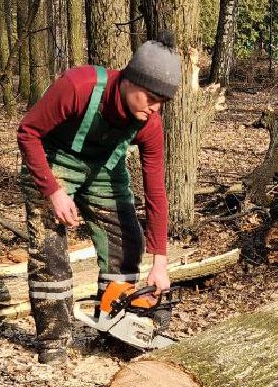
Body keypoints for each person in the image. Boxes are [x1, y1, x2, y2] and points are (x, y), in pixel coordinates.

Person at [17, 35, 181, 364]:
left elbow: (156, 192)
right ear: (130, 81)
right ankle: (53, 340)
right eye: (151, 98)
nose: (155, 108)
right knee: (50, 249)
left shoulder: (149, 124)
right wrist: (53, 191)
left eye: (162, 102)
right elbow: (28, 132)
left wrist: (160, 263)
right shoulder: (79, 86)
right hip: (53, 160)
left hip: (104, 168)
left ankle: (115, 325)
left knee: (127, 240)